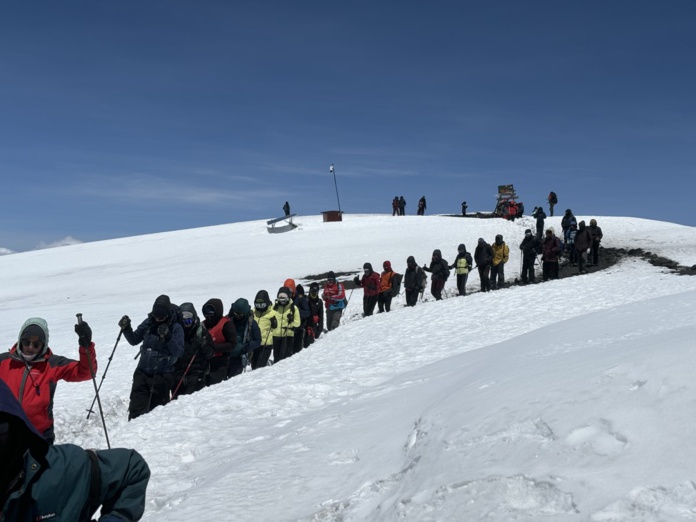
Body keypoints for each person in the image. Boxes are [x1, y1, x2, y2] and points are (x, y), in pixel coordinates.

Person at [0, 379, 151, 521]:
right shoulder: (7, 361)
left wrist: (86, 351)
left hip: (37, 436)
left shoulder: (59, 471)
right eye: (27, 347)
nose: (30, 348)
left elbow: (132, 467)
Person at [0, 317, 96, 444]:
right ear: (20, 340)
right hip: (5, 434)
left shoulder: (52, 364)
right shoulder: (4, 362)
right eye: (26, 342)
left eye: (36, 344)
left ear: (43, 345)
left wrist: (86, 346)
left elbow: (86, 372)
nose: (30, 347)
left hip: (38, 435)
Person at [120, 295, 185, 420]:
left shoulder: (176, 328)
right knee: (135, 412)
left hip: (162, 376)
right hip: (142, 373)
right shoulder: (149, 322)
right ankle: (132, 436)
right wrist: (126, 329)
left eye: (161, 317)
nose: (158, 319)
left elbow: (179, 352)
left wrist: (168, 337)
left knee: (156, 415)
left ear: (168, 314)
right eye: (156, 316)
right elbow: (134, 340)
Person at [171, 302, 214, 398]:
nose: (186, 324)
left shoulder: (201, 332)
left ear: (194, 318)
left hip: (197, 374)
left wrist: (203, 345)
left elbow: (210, 353)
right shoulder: (176, 333)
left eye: (189, 320)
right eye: (183, 321)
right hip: (178, 375)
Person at [201, 298, 236, 386]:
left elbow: (232, 344)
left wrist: (214, 347)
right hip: (204, 361)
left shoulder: (226, 324)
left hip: (221, 361)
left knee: (215, 386)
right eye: (206, 312)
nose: (209, 316)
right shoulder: (203, 324)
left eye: (211, 312)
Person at [228, 298, 261, 376]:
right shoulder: (229, 319)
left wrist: (245, 347)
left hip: (239, 357)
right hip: (226, 355)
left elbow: (258, 341)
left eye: (240, 315)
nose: (237, 316)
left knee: (232, 380)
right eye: (236, 314)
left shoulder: (251, 323)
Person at [270, 287, 301, 363]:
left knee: (286, 358)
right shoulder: (274, 307)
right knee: (276, 357)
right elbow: (268, 319)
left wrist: (291, 321)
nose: (282, 301)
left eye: (284, 299)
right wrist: (271, 321)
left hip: (288, 335)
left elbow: (298, 323)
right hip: (275, 335)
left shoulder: (293, 308)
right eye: (280, 299)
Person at [251, 290, 275, 369]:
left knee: (259, 367)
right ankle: (268, 364)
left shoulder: (272, 313)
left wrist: (274, 324)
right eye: (258, 304)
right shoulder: (253, 312)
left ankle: (267, 365)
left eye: (262, 304)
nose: (260, 307)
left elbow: (277, 328)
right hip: (255, 344)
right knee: (254, 366)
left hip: (266, 343)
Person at [291, 284, 311, 354]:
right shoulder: (291, 298)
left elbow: (308, 313)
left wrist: (298, 311)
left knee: (297, 348)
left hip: (300, 327)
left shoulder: (301, 300)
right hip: (293, 327)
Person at [305, 282, 325, 347]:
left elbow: (321, 316)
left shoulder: (319, 302)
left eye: (315, 291)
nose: (313, 293)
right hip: (306, 326)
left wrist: (319, 329)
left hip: (314, 327)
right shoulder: (305, 300)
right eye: (312, 291)